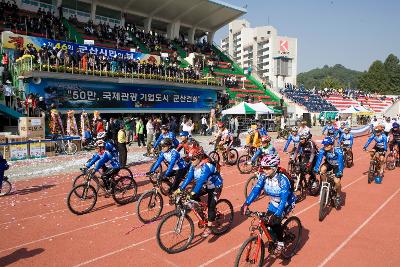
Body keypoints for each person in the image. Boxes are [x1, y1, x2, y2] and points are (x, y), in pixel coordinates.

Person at [241, 154, 296, 255]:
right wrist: (246, 203)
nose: (264, 170)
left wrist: (277, 215)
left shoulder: (282, 179)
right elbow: (256, 189)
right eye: (263, 168)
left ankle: (280, 243)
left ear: (275, 167)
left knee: (275, 222)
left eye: (267, 168)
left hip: (286, 202)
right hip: (274, 202)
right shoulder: (264, 177)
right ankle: (273, 238)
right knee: (266, 222)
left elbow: (284, 199)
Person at [174, 147, 223, 237]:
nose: (191, 161)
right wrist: (179, 189)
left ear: (199, 158)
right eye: (190, 159)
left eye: (193, 159)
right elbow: (188, 178)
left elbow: (200, 181)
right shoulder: (194, 166)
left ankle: (209, 227)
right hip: (206, 185)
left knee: (211, 206)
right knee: (192, 197)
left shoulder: (206, 166)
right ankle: (202, 214)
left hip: (215, 185)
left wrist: (193, 192)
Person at [313, 136, 344, 207]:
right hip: (329, 163)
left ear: (332, 145)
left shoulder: (338, 151)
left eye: (327, 145)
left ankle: (338, 196)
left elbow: (341, 162)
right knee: (322, 170)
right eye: (324, 145)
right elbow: (319, 160)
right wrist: (316, 168)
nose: (325, 146)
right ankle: (324, 184)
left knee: (337, 181)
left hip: (337, 166)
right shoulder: (322, 150)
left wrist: (340, 171)